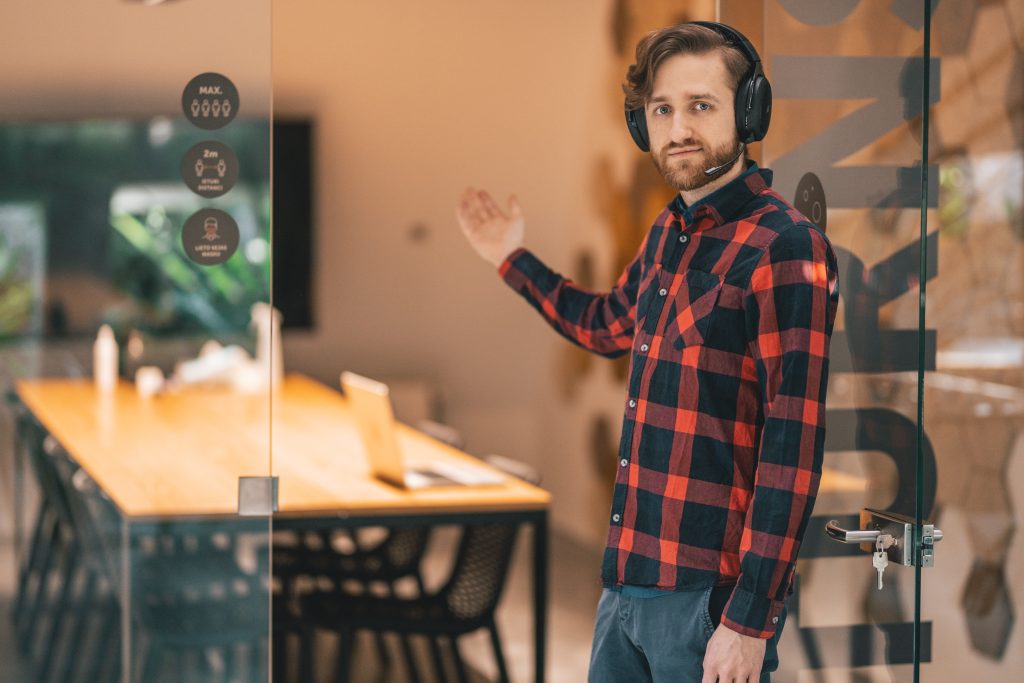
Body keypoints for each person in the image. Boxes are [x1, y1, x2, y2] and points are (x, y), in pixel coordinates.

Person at [456, 21, 839, 683]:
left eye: (701, 105)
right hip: (626, 586)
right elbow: (607, 325)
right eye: (662, 109)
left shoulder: (786, 246)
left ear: (748, 113)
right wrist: (510, 259)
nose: (678, 128)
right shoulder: (669, 230)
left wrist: (749, 620)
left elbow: (792, 448)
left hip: (708, 604)